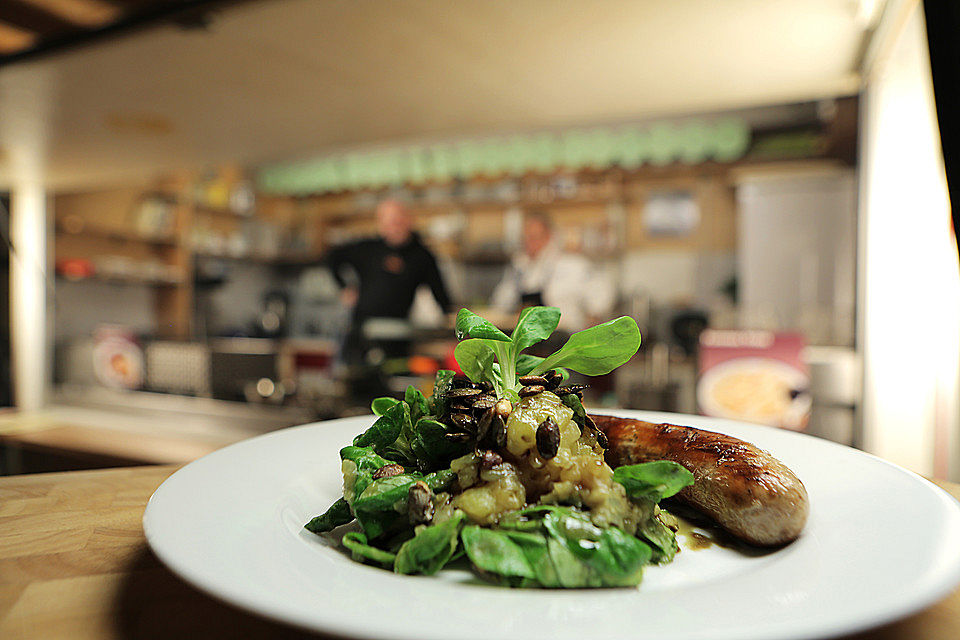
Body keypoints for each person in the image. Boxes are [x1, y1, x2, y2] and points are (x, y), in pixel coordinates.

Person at [328, 199, 453, 360]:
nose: (393, 228)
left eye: (397, 222)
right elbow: (332, 257)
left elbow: (441, 296)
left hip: (398, 335)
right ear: (380, 225)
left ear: (408, 220)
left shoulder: (422, 256)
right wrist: (343, 287)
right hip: (361, 332)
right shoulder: (368, 248)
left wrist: (452, 326)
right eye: (387, 223)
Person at [491, 211, 615, 331]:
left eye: (534, 237)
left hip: (563, 339)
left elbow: (602, 295)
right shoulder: (518, 268)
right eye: (526, 238)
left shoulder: (572, 265)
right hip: (526, 341)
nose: (530, 243)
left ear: (548, 236)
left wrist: (592, 322)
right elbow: (500, 303)